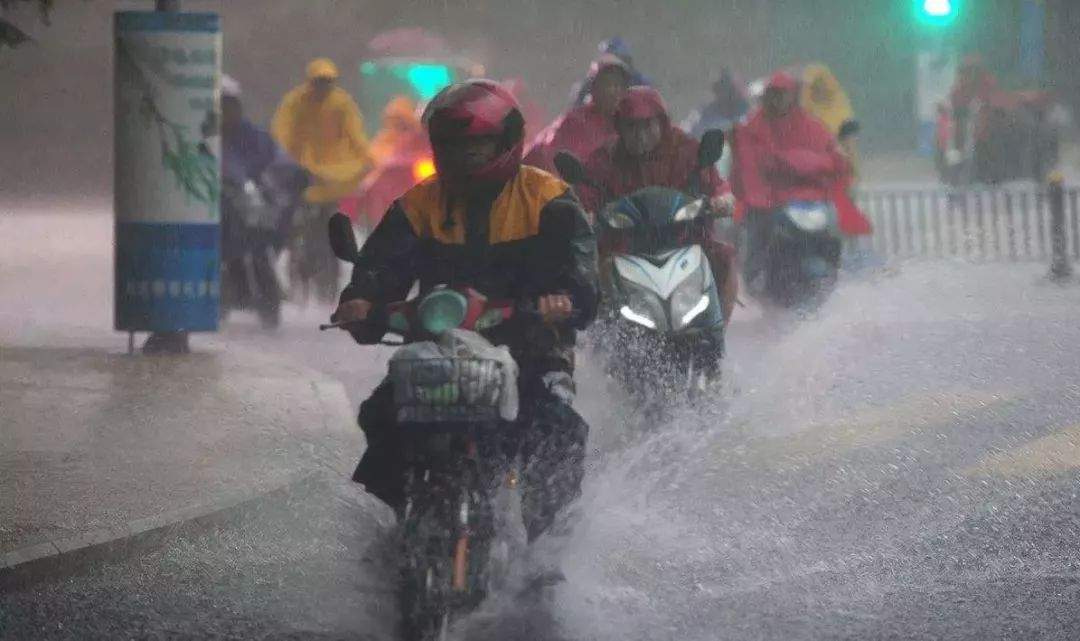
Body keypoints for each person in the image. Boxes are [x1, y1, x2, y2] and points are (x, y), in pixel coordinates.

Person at [331, 79, 599, 543]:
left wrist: (565, 299)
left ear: (506, 141)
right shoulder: (419, 204)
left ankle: (547, 558)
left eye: (479, 145)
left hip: (530, 347)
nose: (468, 155)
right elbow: (381, 267)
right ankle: (401, 527)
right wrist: (362, 300)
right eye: (457, 146)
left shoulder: (548, 199)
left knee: (555, 430)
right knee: (380, 413)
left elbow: (581, 275)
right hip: (442, 349)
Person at [580, 86, 738, 325]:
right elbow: (584, 197)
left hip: (685, 241)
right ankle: (601, 337)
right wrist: (585, 216)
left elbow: (717, 185)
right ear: (619, 127)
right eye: (631, 127)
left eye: (646, 125)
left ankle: (717, 332)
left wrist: (722, 201)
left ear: (661, 123)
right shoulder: (605, 158)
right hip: (623, 249)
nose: (639, 135)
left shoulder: (686, 149)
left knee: (724, 259)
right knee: (589, 274)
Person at [730, 71, 868, 290]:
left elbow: (834, 157)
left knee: (833, 228)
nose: (779, 100)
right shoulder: (753, 127)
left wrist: (835, 173)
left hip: (809, 202)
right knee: (759, 229)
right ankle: (756, 276)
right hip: (768, 201)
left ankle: (836, 269)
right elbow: (747, 165)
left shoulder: (811, 126)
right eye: (774, 95)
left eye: (783, 95)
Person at [271, 57, 373, 303]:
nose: (323, 87)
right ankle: (283, 263)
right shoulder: (295, 102)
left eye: (328, 82)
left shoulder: (342, 104)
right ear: (310, 82)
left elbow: (356, 135)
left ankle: (334, 272)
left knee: (333, 227)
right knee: (287, 221)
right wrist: (284, 158)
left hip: (331, 175)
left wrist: (367, 158)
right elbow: (281, 132)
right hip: (300, 171)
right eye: (319, 82)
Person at [219, 76, 289, 327]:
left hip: (254, 205)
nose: (226, 111)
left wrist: (282, 176)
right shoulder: (206, 136)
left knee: (269, 239)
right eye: (221, 105)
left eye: (230, 105)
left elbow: (276, 159)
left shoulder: (254, 135)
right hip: (221, 205)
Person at [523, 54, 632, 173]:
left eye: (618, 85)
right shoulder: (574, 122)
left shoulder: (629, 123)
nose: (613, 91)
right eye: (607, 84)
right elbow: (545, 154)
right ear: (592, 88)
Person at [569, 36, 652, 108]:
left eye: (616, 65)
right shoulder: (588, 84)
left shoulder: (641, 84)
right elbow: (575, 114)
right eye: (606, 64)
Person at [681, 68, 751, 139]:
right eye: (723, 90)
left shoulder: (748, 116)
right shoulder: (701, 113)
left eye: (733, 92)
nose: (727, 95)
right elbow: (684, 134)